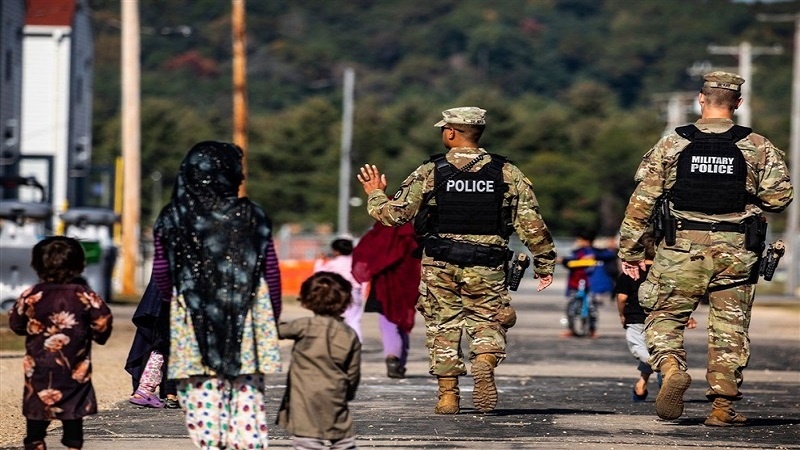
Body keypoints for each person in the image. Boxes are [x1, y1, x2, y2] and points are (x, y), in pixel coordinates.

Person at [618, 72, 793, 426]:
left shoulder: (672, 144)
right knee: (729, 329)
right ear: (738, 104)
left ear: (701, 98)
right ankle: (722, 408)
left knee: (664, 316)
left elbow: (642, 202)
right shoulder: (757, 145)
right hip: (737, 252)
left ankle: (670, 367)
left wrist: (630, 251)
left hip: (680, 248)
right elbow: (780, 198)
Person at [357, 106, 556, 414]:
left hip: (440, 262)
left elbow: (395, 216)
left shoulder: (431, 171)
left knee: (442, 326)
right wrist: (544, 264)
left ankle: (448, 396)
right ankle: (485, 360)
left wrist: (375, 193)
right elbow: (531, 224)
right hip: (487, 263)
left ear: (450, 133)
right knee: (488, 321)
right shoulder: (507, 172)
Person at [152, 141, 283, 448]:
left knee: (202, 403)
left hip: (193, 315)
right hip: (247, 318)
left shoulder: (174, 216)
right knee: (246, 400)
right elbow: (271, 271)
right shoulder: (253, 215)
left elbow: (161, 271)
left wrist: (174, 302)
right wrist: (270, 316)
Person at [8, 236, 113, 450]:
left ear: (36, 265)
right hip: (74, 368)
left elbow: (16, 322)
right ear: (80, 265)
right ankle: (73, 445)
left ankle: (36, 442)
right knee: (73, 413)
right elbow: (102, 322)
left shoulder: (32, 295)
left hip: (39, 369)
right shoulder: (85, 295)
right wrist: (96, 336)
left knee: (37, 413)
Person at [277, 271, 361, 450]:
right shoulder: (348, 334)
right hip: (335, 393)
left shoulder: (303, 325)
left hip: (303, 396)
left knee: (307, 441)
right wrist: (348, 393)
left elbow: (276, 331)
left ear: (306, 299)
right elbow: (353, 371)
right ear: (345, 302)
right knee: (342, 438)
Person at [614, 233, 697, 402]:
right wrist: (686, 316)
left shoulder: (630, 274)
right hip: (663, 320)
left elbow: (622, 298)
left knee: (644, 353)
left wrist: (622, 314)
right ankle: (643, 382)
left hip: (636, 320)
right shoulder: (669, 275)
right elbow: (679, 298)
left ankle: (668, 370)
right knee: (660, 350)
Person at [351, 221, 421, 379]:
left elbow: (363, 255)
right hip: (408, 285)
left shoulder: (378, 234)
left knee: (387, 322)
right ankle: (400, 362)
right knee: (402, 321)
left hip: (383, 285)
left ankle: (392, 357)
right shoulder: (411, 236)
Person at [124, 276, 179, 409]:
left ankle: (153, 390)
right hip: (174, 297)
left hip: (162, 297)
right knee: (170, 344)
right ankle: (164, 391)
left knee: (164, 344)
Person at [560, 231, 618, 337]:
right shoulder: (577, 252)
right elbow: (569, 261)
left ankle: (592, 329)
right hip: (575, 283)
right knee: (571, 308)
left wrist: (594, 256)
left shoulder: (597, 252)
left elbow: (609, 255)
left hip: (590, 284)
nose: (577, 242)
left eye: (579, 240)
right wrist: (563, 260)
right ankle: (571, 329)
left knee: (592, 308)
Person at [314, 237, 366, 341]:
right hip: (355, 293)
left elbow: (318, 274)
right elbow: (364, 278)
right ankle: (357, 342)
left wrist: (319, 261)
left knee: (337, 319)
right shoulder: (357, 263)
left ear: (336, 251)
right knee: (354, 320)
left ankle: (337, 342)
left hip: (339, 293)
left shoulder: (334, 263)